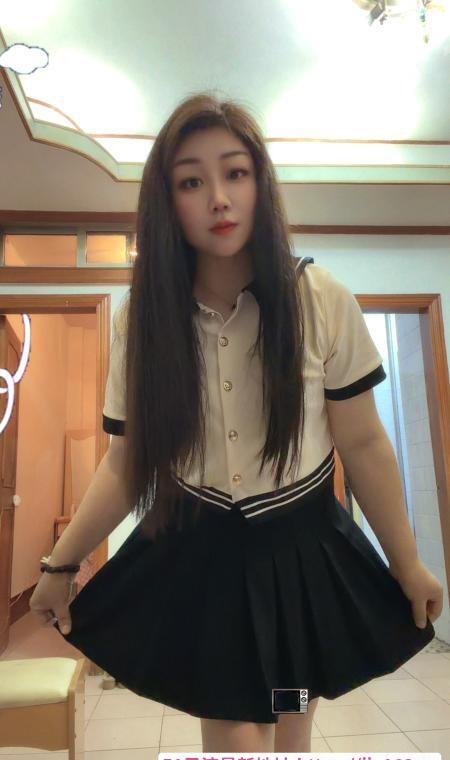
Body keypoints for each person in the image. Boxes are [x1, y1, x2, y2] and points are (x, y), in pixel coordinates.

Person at [29, 91, 443, 752]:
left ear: (260, 184)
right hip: (201, 561)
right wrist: (60, 564)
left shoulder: (321, 299)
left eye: (236, 172)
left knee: (290, 727)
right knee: (234, 739)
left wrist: (408, 562)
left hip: (302, 559)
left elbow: (363, 443)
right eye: (191, 181)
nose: (218, 198)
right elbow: (127, 461)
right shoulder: (141, 319)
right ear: (167, 201)